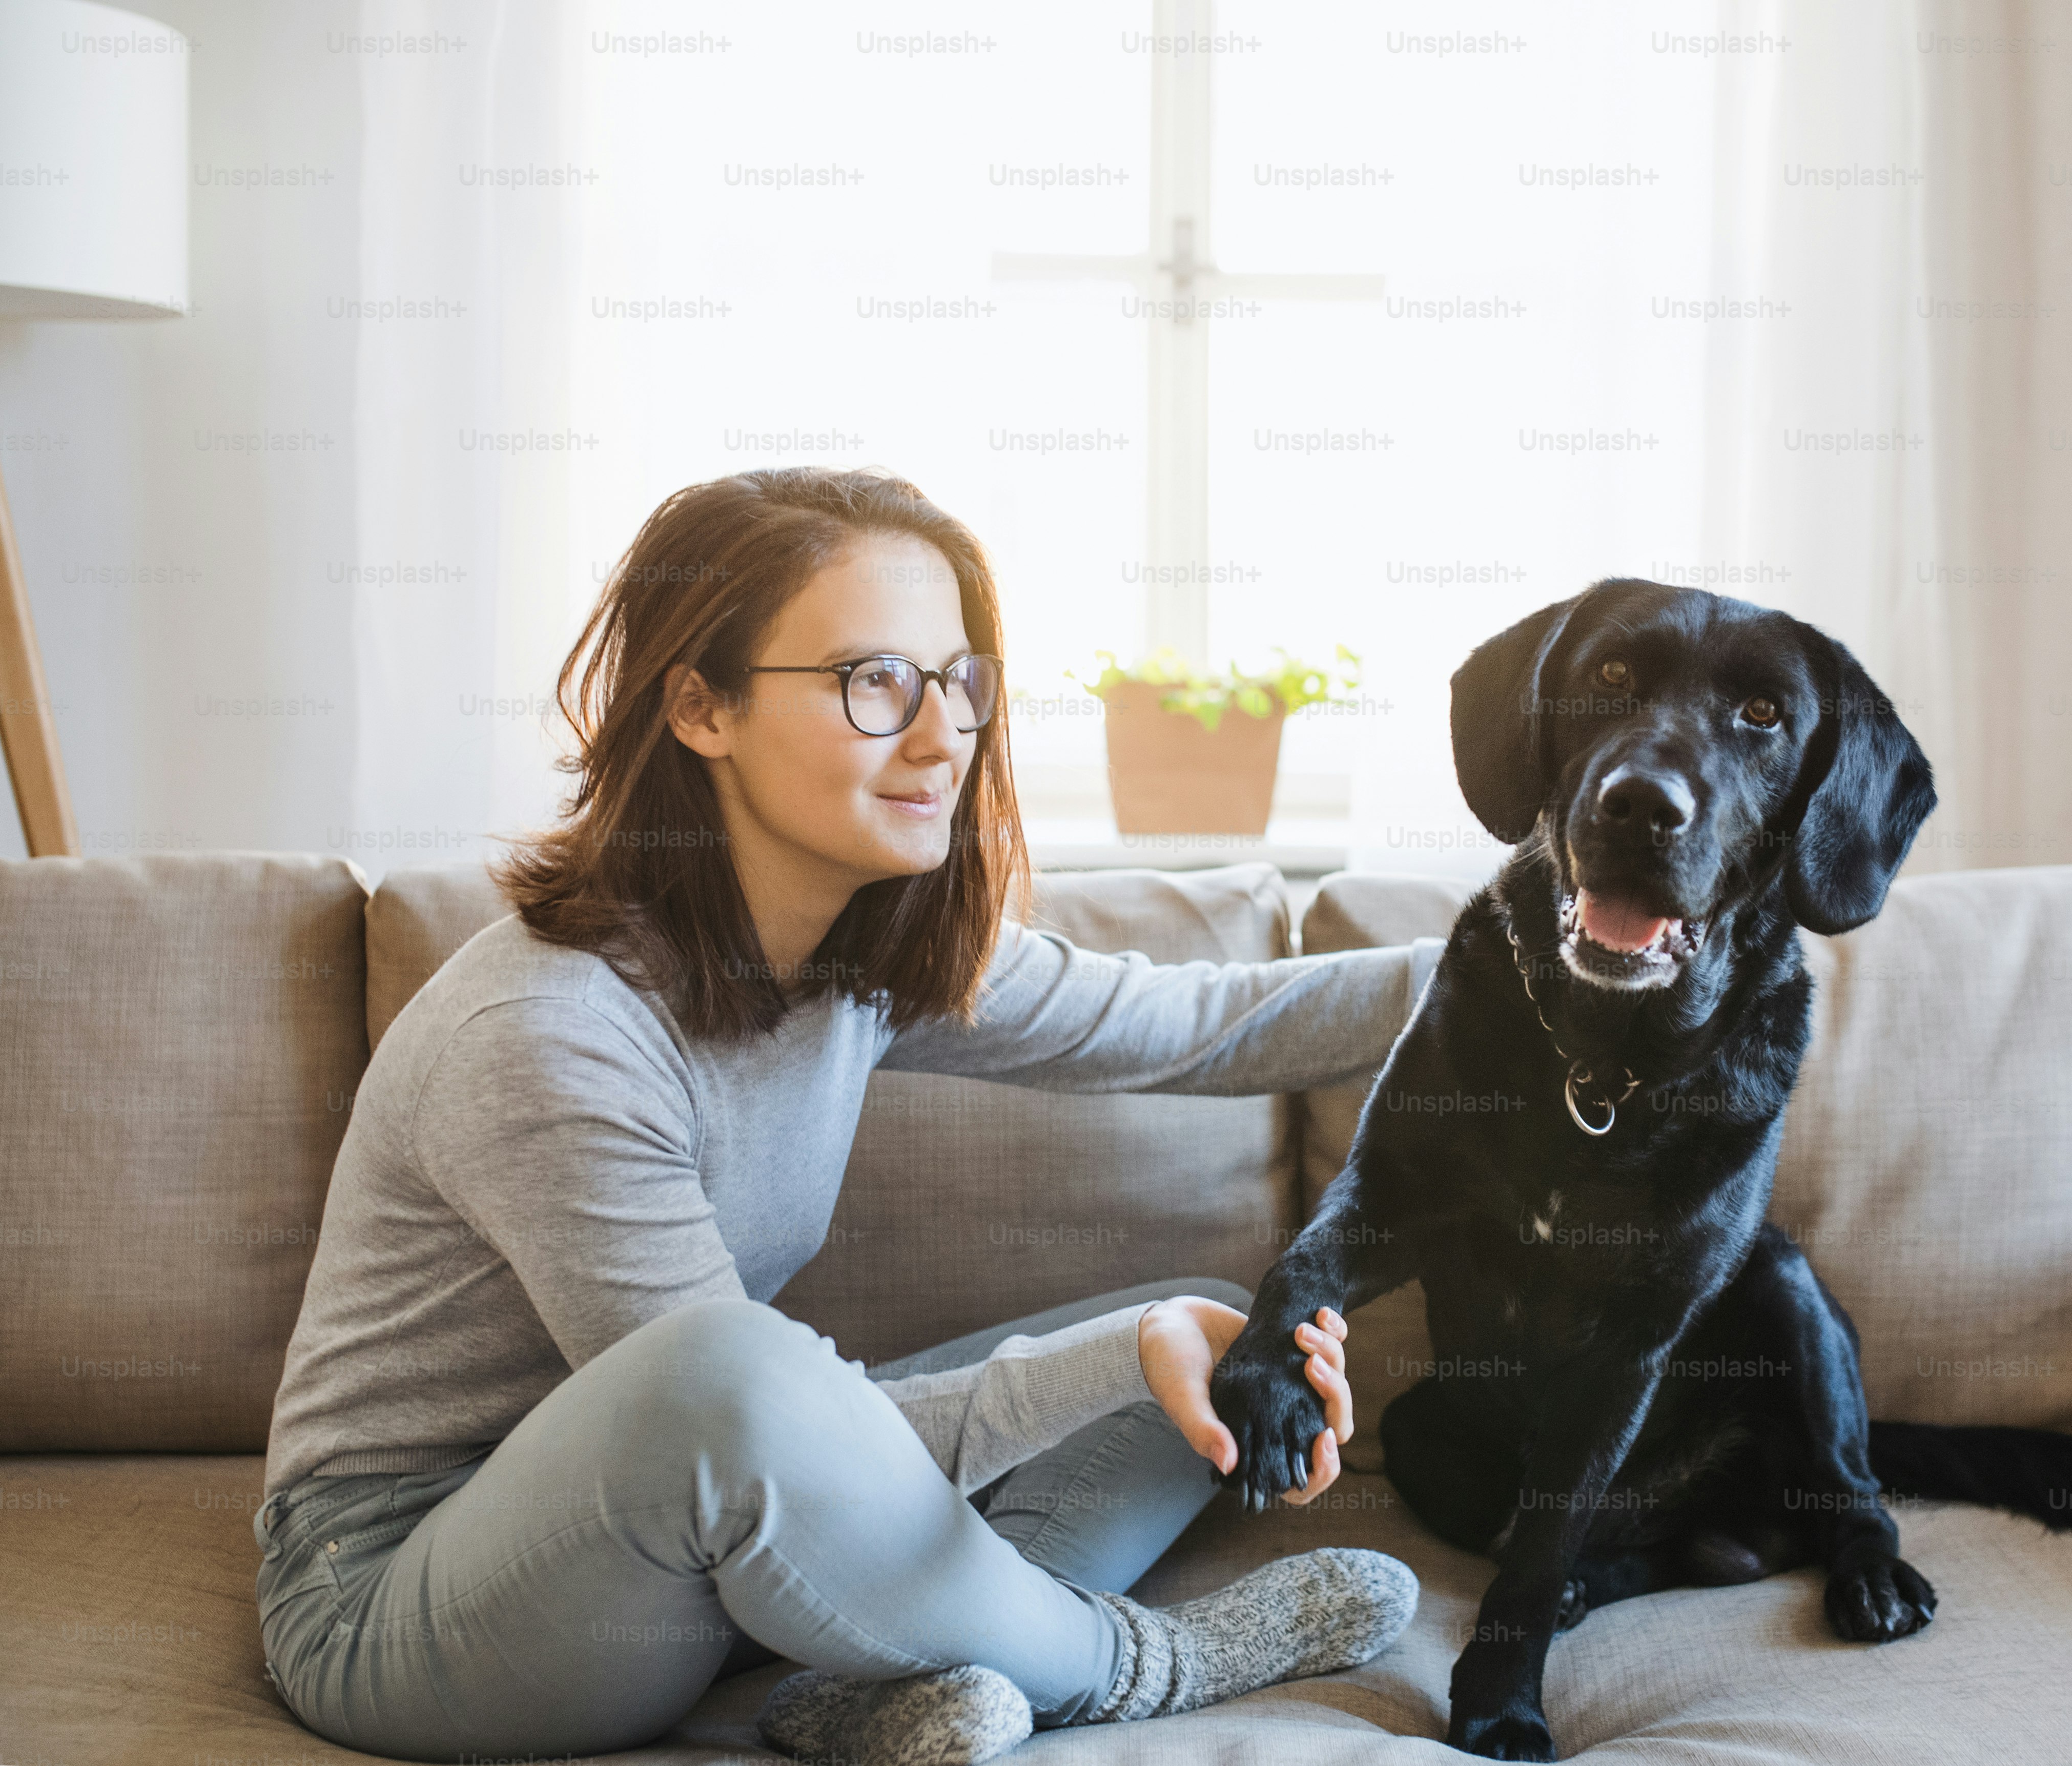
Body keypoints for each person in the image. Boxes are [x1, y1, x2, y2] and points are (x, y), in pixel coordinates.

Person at [251, 467, 1437, 1765]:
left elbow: (1212, 1024)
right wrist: (1112, 1352)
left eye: (959, 682)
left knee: (1200, 1338)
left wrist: (1548, 960)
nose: (940, 738)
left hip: (705, 1534)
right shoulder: (550, 1037)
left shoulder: (853, 953)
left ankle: (883, 1688)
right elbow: (734, 1418)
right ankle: (1123, 1663)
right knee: (736, 1364)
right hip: (415, 1598)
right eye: (875, 682)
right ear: (699, 706)